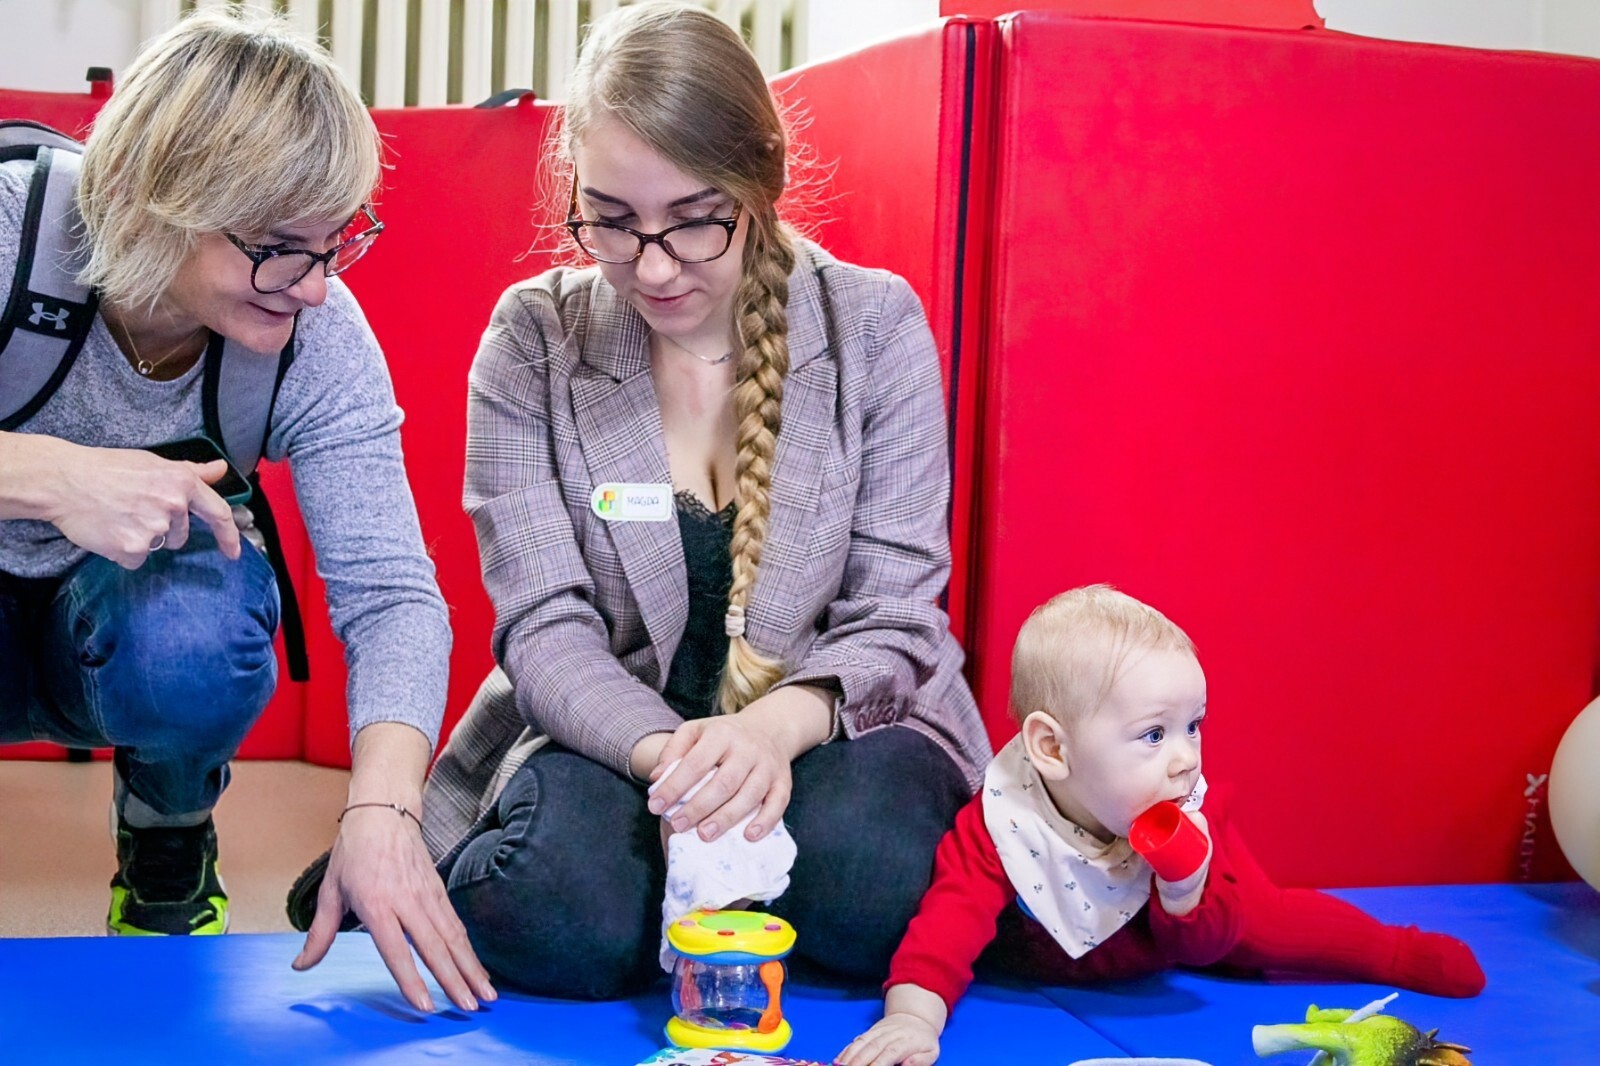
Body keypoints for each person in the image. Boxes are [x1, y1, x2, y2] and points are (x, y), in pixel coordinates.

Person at [417, 1, 993, 999]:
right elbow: (542, 623)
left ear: (758, 182)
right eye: (610, 219)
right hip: (617, 736)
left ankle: (709, 899)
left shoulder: (875, 325)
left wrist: (771, 734)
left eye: (692, 221)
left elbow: (895, 614)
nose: (649, 264)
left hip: (828, 728)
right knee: (550, 905)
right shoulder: (532, 340)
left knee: (880, 886)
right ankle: (697, 897)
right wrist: (673, 758)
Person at [0, 11, 492, 1014]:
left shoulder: (312, 330)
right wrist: (55, 477)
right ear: (156, 202)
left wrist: (385, 809)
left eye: (336, 243)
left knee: (198, 617)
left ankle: (168, 843)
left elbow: (394, 595)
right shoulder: (10, 231)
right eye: (278, 249)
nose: (314, 288)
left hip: (109, 638)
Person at [837, 585, 1486, 1066]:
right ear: (1054, 750)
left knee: (1275, 929)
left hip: (1181, 924)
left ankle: (1394, 948)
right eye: (1153, 734)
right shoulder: (1005, 819)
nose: (1186, 757)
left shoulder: (1186, 812)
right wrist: (913, 1017)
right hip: (1053, 960)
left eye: (1193, 726)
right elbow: (946, 925)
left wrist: (1184, 889)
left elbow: (1203, 947)